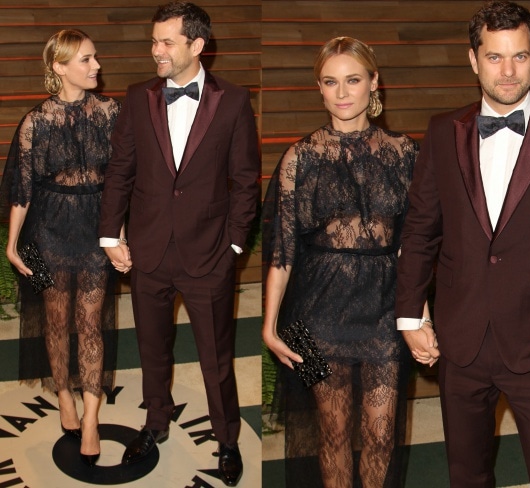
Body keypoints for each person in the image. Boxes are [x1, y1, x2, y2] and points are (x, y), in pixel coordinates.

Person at [396, 1, 530, 487]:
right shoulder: (443, 131)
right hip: (460, 340)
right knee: (466, 474)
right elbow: (421, 229)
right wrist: (410, 314)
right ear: (473, 59)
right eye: (494, 57)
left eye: (520, 56)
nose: (508, 72)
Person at [98, 2, 259, 485]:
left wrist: (232, 247)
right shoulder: (137, 96)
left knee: (216, 357)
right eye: (154, 41)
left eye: (166, 42)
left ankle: (226, 438)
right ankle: (155, 423)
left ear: (197, 45)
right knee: (152, 349)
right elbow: (120, 171)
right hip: (147, 251)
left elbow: (246, 181)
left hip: (208, 255)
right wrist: (110, 233)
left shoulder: (232, 101)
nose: (156, 51)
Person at [263, 36, 425, 488]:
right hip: (314, 313)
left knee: (380, 435)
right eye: (330, 82)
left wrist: (421, 315)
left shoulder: (403, 152)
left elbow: (411, 245)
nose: (342, 92)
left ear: (374, 83)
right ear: (319, 88)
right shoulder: (300, 157)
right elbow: (282, 248)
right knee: (330, 436)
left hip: (384, 312)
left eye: (353, 80)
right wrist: (269, 324)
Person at [0, 29, 120, 466]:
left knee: (89, 321)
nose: (97, 66)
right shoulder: (36, 122)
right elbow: (21, 188)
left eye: (95, 57)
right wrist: (13, 244)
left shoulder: (111, 112)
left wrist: (119, 234)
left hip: (94, 231)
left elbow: (125, 181)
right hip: (44, 231)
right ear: (60, 67)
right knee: (55, 319)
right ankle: (64, 394)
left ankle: (90, 417)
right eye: (86, 59)